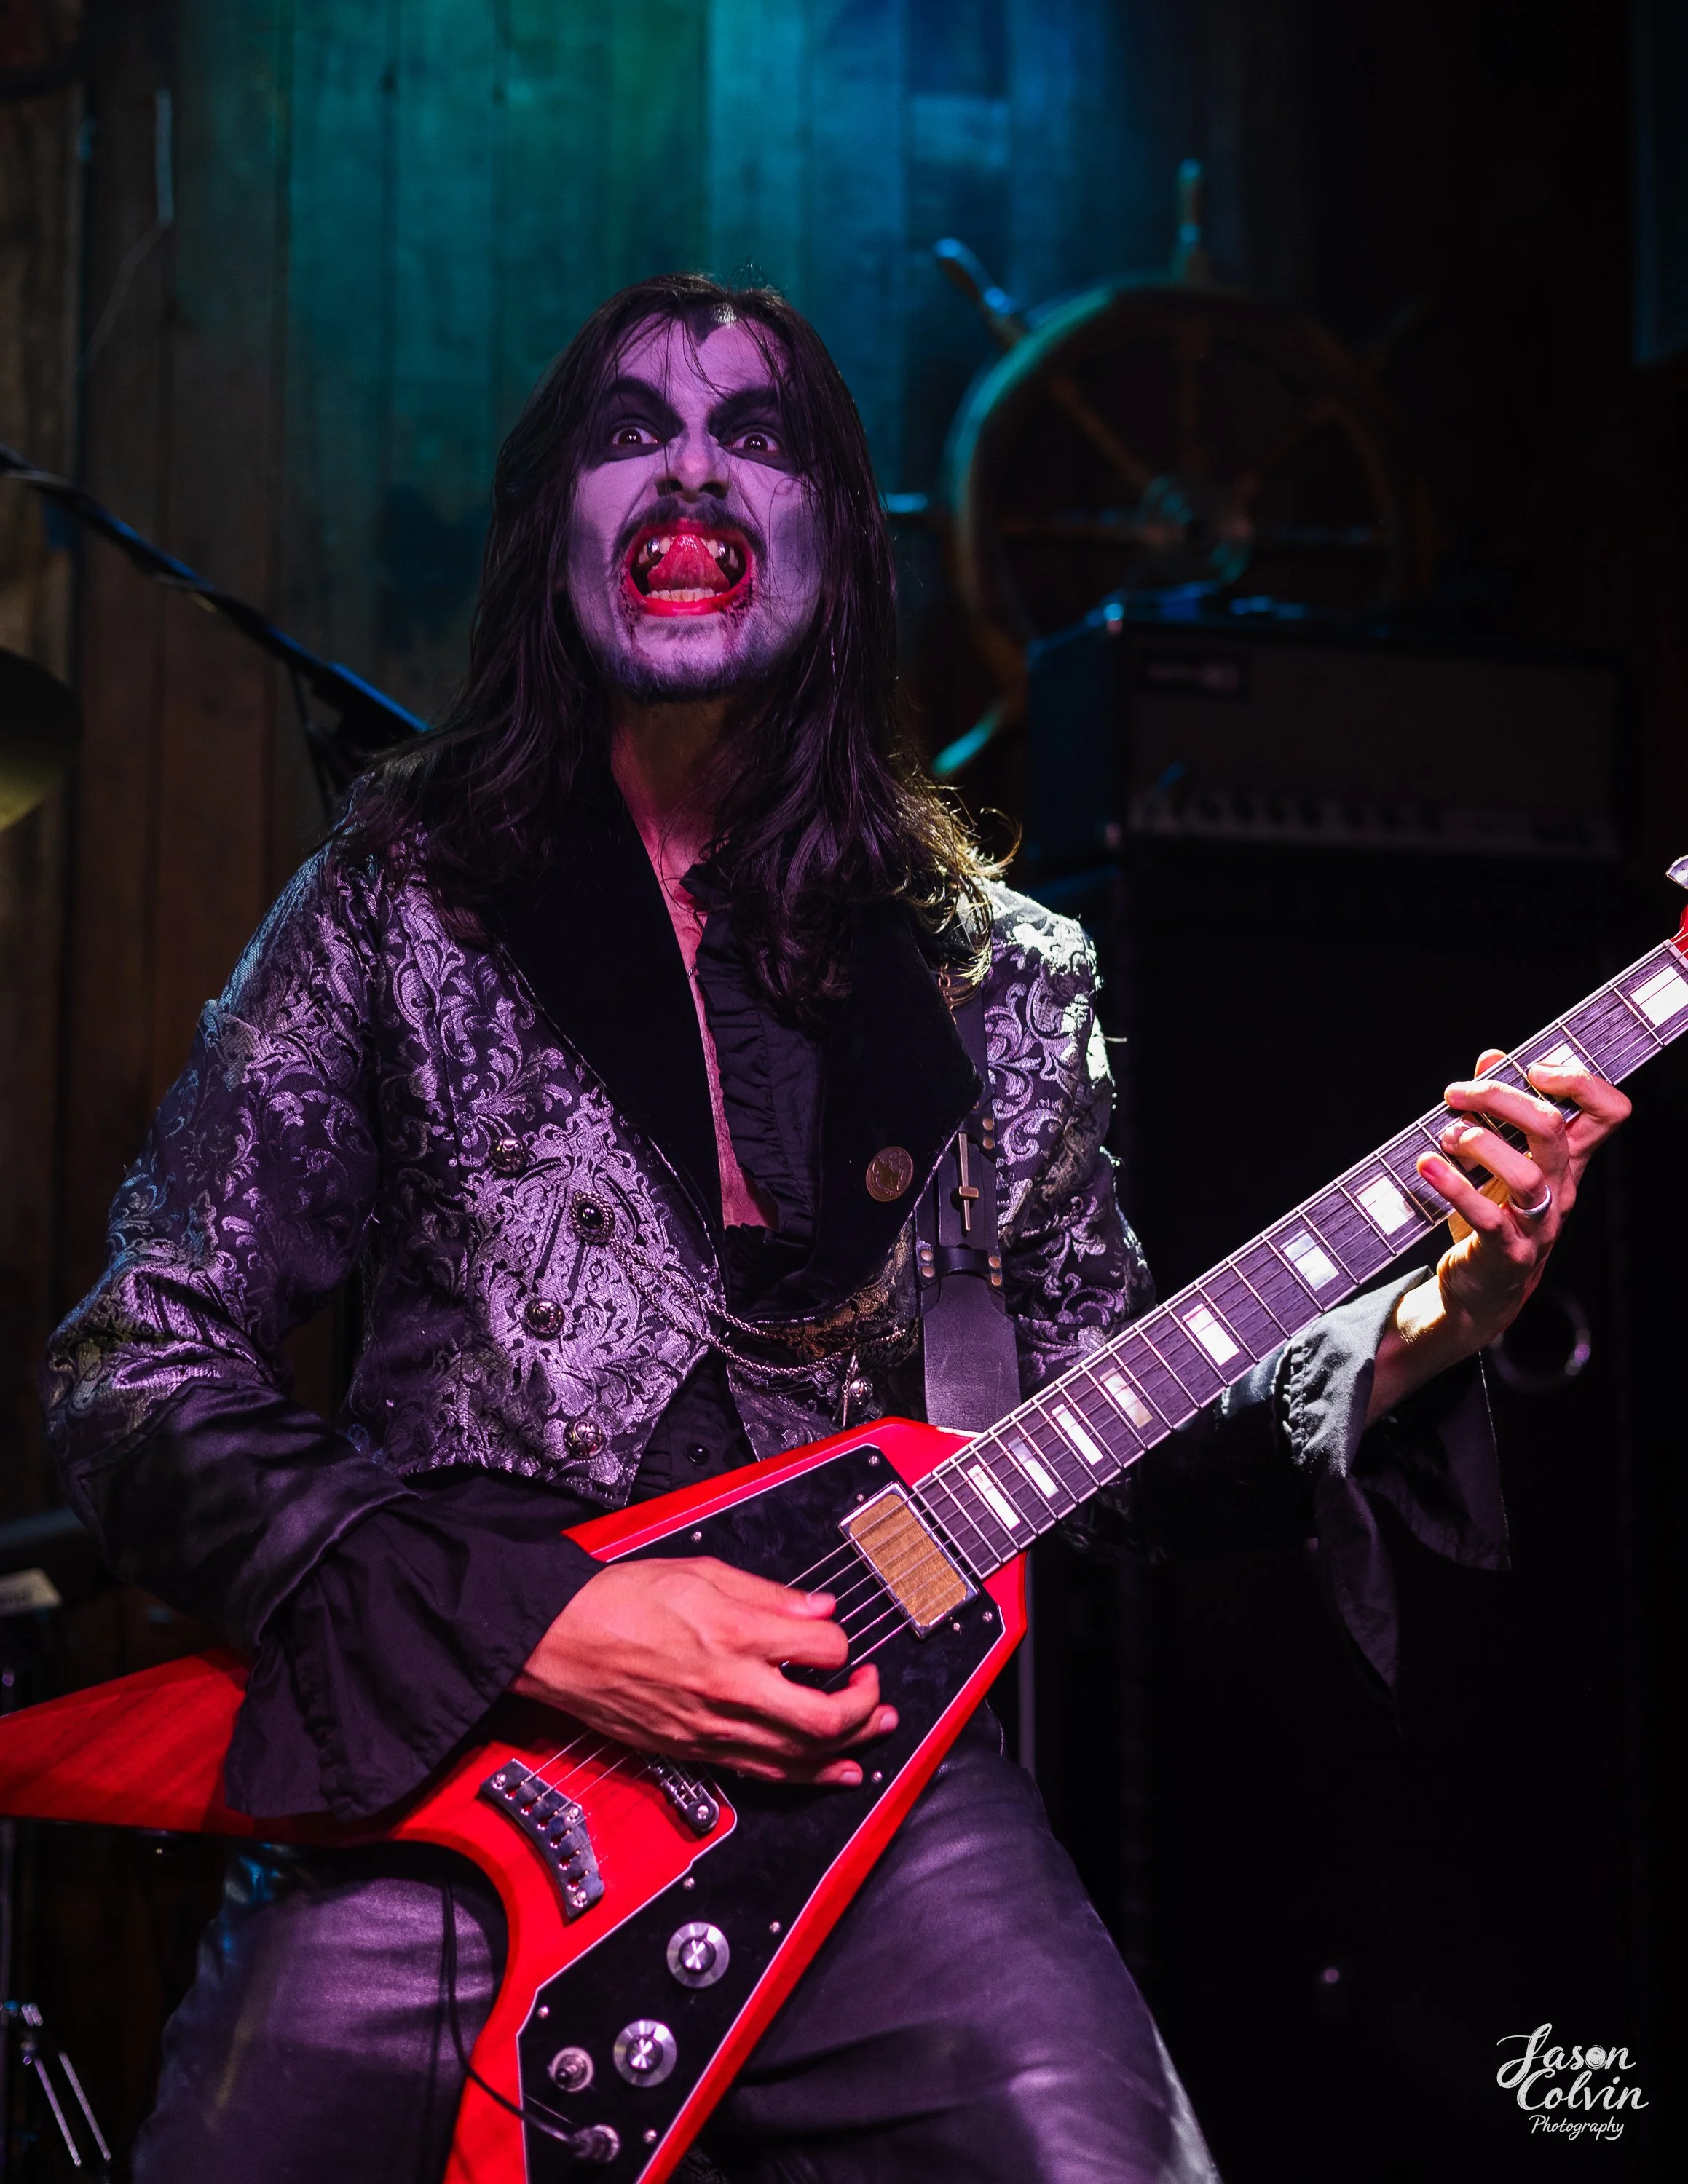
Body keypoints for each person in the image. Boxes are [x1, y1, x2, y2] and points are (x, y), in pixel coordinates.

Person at [44, 274, 1629, 2184]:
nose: (691, 467)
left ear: (832, 536)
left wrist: (1428, 1322)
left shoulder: (1003, 979)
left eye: (757, 435)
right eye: (631, 430)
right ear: (557, 520)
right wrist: (553, 1622)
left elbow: (1111, 1431)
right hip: (450, 1764)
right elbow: (141, 1367)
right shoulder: (396, 908)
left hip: (876, 1803)